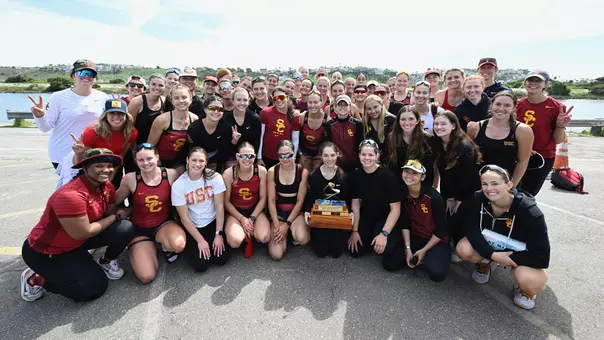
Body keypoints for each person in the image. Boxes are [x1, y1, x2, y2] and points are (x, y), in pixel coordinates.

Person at [20, 148, 135, 302]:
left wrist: (117, 212)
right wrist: (115, 216)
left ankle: (105, 261)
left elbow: (108, 213)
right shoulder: (71, 195)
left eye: (109, 166)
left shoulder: (106, 187)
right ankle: (36, 279)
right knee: (94, 288)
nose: (107, 170)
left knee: (124, 228)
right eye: (99, 165)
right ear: (85, 167)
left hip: (75, 242)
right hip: (48, 250)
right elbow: (83, 232)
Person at [456, 165, 550, 310]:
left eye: (495, 184)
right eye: (485, 184)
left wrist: (510, 259)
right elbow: (472, 229)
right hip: (492, 247)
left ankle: (524, 290)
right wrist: (492, 255)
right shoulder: (478, 198)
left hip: (516, 252)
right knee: (463, 249)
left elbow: (542, 256)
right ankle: (484, 263)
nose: (489, 188)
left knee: (530, 280)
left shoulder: (530, 212)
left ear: (509, 185)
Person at [115, 144, 186, 283]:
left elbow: (180, 198)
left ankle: (164, 243)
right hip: (138, 229)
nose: (146, 163)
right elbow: (116, 201)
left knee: (178, 245)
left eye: (149, 158)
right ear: (136, 161)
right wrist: (123, 210)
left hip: (163, 224)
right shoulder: (130, 178)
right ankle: (143, 248)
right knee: (147, 277)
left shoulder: (170, 174)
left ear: (157, 158)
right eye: (141, 160)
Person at [29, 59, 108, 169]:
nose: (86, 76)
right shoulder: (58, 97)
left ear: (95, 78)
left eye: (91, 73)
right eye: (81, 72)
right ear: (73, 75)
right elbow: (45, 128)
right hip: (63, 153)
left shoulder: (103, 97)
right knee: (69, 186)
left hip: (92, 154)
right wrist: (40, 116)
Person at [432, 111, 482, 262]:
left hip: (468, 190)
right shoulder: (438, 144)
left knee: (460, 216)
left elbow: (467, 177)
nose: (439, 127)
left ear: (453, 126)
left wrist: (458, 199)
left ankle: (464, 247)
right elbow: (444, 174)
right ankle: (450, 242)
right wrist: (449, 197)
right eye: (436, 124)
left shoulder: (464, 146)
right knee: (448, 214)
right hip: (450, 189)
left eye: (443, 124)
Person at [171, 147, 229, 272]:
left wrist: (219, 234)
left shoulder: (214, 177)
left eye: (201, 161)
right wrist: (200, 240)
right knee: (201, 265)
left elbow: (219, 207)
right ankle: (192, 245)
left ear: (206, 162)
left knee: (221, 260)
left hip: (213, 222)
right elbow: (184, 218)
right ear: (187, 160)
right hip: (195, 226)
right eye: (194, 160)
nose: (197, 164)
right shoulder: (179, 185)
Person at [516, 70, 572, 196]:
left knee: (528, 194)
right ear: (525, 83)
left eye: (538, 81)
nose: (533, 83)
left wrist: (560, 126)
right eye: (530, 80)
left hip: (542, 157)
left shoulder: (557, 106)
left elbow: (557, 140)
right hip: (518, 154)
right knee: (510, 190)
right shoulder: (517, 104)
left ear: (545, 84)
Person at [348, 139, 402, 270]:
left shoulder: (387, 176)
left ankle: (397, 242)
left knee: (388, 256)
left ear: (377, 155)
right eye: (363, 154)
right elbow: (355, 204)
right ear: (359, 155)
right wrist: (355, 231)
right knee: (355, 251)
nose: (367, 158)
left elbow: (396, 209)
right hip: (368, 216)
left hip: (386, 218)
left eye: (371, 155)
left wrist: (384, 234)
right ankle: (373, 239)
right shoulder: (355, 175)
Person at [467, 91, 534, 187]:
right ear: (491, 105)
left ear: (514, 108)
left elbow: (522, 162)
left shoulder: (522, 130)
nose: (501, 108)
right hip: (478, 182)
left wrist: (511, 186)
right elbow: (468, 157)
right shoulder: (475, 127)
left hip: (505, 184)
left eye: (507, 105)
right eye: (498, 104)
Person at [399, 159, 449, 282]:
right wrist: (408, 248)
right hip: (416, 236)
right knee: (389, 263)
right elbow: (404, 222)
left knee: (437, 274)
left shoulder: (434, 198)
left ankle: (426, 256)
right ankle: (418, 256)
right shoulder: (402, 192)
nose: (409, 176)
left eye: (414, 173)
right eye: (406, 171)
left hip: (436, 239)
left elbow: (441, 229)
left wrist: (424, 250)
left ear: (422, 177)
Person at [304, 142, 351, 258]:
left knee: (336, 253)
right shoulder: (314, 175)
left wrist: (351, 212)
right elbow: (311, 197)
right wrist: (307, 210)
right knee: (321, 252)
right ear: (321, 156)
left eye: (332, 155)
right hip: (321, 216)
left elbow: (347, 198)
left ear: (337, 155)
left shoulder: (343, 176)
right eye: (326, 155)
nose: (329, 159)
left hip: (337, 216)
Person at [222, 142, 271, 255]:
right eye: (243, 156)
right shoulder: (228, 174)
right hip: (236, 211)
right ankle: (243, 233)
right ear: (237, 156)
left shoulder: (261, 171)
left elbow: (263, 198)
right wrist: (242, 219)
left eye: (251, 156)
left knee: (264, 237)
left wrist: (252, 218)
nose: (247, 159)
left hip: (254, 210)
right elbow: (226, 202)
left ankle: (250, 231)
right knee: (235, 241)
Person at [79, 98, 137, 188]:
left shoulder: (131, 132)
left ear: (126, 116)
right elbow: (85, 160)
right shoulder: (92, 132)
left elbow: (121, 155)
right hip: (92, 168)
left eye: (120, 113)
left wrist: (112, 173)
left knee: (114, 192)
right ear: (105, 115)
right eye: (112, 113)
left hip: (113, 166)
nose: (116, 117)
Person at [266, 140, 310, 260]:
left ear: (294, 153)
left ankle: (291, 231)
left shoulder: (302, 172)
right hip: (279, 213)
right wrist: (276, 225)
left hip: (295, 214)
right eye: (281, 155)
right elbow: (271, 201)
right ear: (277, 156)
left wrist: (287, 225)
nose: (285, 158)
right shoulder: (272, 171)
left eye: (289, 155)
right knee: (276, 255)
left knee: (302, 239)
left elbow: (300, 201)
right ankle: (284, 234)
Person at [147, 84, 199, 169]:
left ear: (190, 99)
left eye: (184, 97)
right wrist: (156, 162)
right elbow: (150, 146)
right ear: (172, 101)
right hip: (161, 162)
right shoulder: (162, 120)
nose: (181, 101)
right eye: (176, 98)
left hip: (183, 162)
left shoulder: (195, 119)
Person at [386, 106, 437, 187]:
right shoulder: (392, 138)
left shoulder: (428, 140)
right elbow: (391, 165)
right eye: (403, 119)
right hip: (399, 186)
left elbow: (432, 168)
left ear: (417, 121)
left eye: (411, 119)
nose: (407, 123)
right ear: (398, 121)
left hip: (422, 186)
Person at [186, 95, 235, 173]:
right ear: (205, 109)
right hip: (197, 158)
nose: (216, 112)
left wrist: (234, 141)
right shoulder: (194, 128)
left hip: (216, 159)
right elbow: (191, 149)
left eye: (220, 109)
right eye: (212, 108)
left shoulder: (226, 128)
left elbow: (224, 151)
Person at [257, 87, 301, 169]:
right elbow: (261, 136)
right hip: (266, 156)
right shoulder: (265, 112)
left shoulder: (294, 116)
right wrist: (259, 157)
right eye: (276, 98)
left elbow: (295, 140)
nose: (279, 100)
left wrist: (293, 159)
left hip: (285, 158)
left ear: (287, 97)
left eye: (281, 97)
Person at [222, 88, 262, 168]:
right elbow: (224, 147)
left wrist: (254, 158)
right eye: (239, 100)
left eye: (245, 100)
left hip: (249, 156)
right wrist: (234, 141)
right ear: (232, 101)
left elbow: (257, 143)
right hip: (231, 156)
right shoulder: (225, 119)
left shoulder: (254, 118)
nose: (242, 103)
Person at [327, 95, 364, 173]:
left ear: (350, 107)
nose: (342, 107)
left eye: (345, 105)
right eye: (340, 105)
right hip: (336, 164)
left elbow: (360, 144)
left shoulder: (357, 124)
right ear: (335, 107)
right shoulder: (329, 125)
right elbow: (328, 144)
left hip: (354, 164)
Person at [128, 74, 166, 146]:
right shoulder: (137, 102)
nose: (157, 88)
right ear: (149, 85)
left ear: (165, 86)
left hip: (157, 146)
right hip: (138, 144)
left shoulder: (165, 101)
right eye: (153, 84)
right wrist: (133, 148)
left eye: (160, 85)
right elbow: (128, 127)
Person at [299, 91, 332, 171]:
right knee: (304, 170)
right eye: (310, 102)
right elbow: (297, 138)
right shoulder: (303, 117)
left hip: (320, 152)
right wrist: (301, 154)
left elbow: (329, 142)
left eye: (315, 102)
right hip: (305, 152)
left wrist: (322, 156)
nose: (312, 105)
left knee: (317, 171)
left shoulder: (327, 120)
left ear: (321, 103)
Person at [362, 94, 396, 159]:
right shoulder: (364, 124)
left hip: (391, 160)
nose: (373, 111)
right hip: (371, 161)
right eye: (369, 109)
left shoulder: (391, 120)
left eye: (375, 107)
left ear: (381, 105)